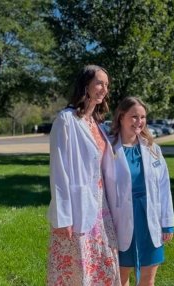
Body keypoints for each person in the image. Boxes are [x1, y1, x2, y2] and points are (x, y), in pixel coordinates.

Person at [47, 65, 121, 286]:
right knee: (75, 272)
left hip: (102, 208)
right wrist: (63, 217)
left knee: (104, 266)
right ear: (85, 85)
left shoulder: (97, 123)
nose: (104, 89)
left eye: (106, 85)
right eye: (99, 83)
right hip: (77, 210)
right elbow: (59, 171)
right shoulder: (66, 120)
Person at [103, 97, 174, 286]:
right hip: (120, 220)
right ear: (121, 117)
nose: (139, 122)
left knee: (148, 280)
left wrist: (167, 224)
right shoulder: (108, 148)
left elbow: (164, 188)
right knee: (120, 279)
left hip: (149, 219)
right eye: (134, 116)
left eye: (142, 117)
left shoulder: (153, 149)